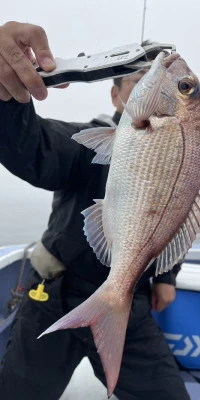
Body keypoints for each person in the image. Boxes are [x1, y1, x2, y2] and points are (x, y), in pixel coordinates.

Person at [0, 21, 190, 400]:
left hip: (128, 299)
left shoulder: (181, 151)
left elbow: (176, 212)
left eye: (179, 85)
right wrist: (7, 99)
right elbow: (34, 149)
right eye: (138, 78)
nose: (155, 81)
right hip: (55, 294)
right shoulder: (89, 141)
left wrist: (166, 274)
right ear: (116, 95)